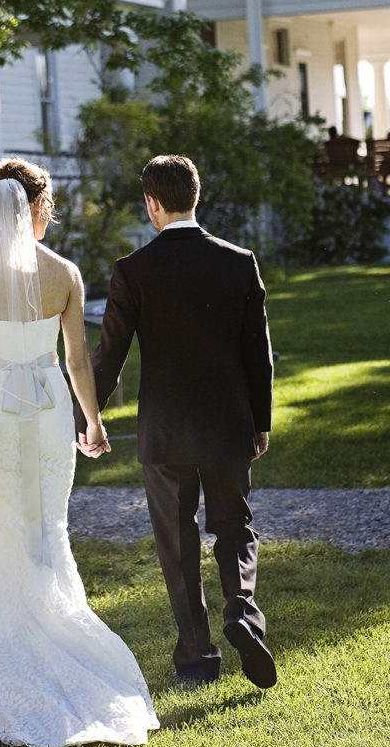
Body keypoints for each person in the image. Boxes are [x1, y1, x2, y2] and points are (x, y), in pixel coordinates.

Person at [0, 157, 159, 747]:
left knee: (0, 520)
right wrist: (94, 422)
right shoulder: (65, 274)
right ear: (28, 208)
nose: (51, 213)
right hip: (49, 408)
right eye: (47, 204)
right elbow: (78, 362)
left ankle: (1, 651)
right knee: (45, 524)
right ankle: (45, 633)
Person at [74, 154, 277, 690]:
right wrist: (260, 421)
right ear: (196, 196)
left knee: (178, 543)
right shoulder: (239, 261)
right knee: (234, 525)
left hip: (163, 433)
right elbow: (259, 353)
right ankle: (243, 613)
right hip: (228, 424)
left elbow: (108, 357)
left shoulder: (133, 270)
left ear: (152, 204)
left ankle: (196, 657)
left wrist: (89, 419)